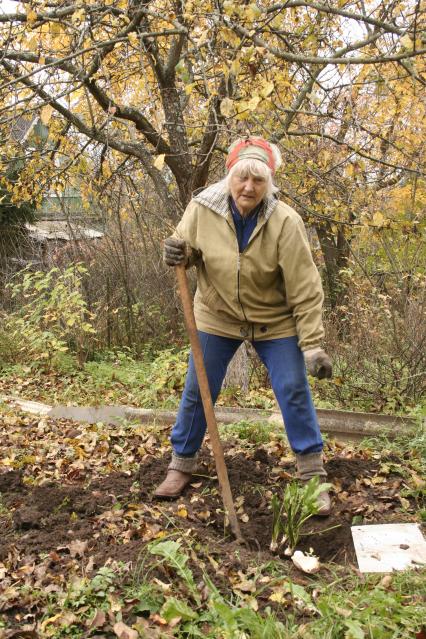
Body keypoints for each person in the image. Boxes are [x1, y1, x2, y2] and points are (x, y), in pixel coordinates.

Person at [155, 137, 332, 515]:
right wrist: (177, 252)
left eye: (258, 181)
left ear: (269, 184)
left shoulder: (285, 222)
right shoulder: (202, 209)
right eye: (242, 179)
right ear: (229, 178)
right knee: (198, 387)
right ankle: (181, 463)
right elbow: (184, 247)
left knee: (292, 387)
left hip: (274, 320)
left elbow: (305, 286)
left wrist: (313, 345)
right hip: (217, 315)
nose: (248, 187)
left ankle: (312, 474)